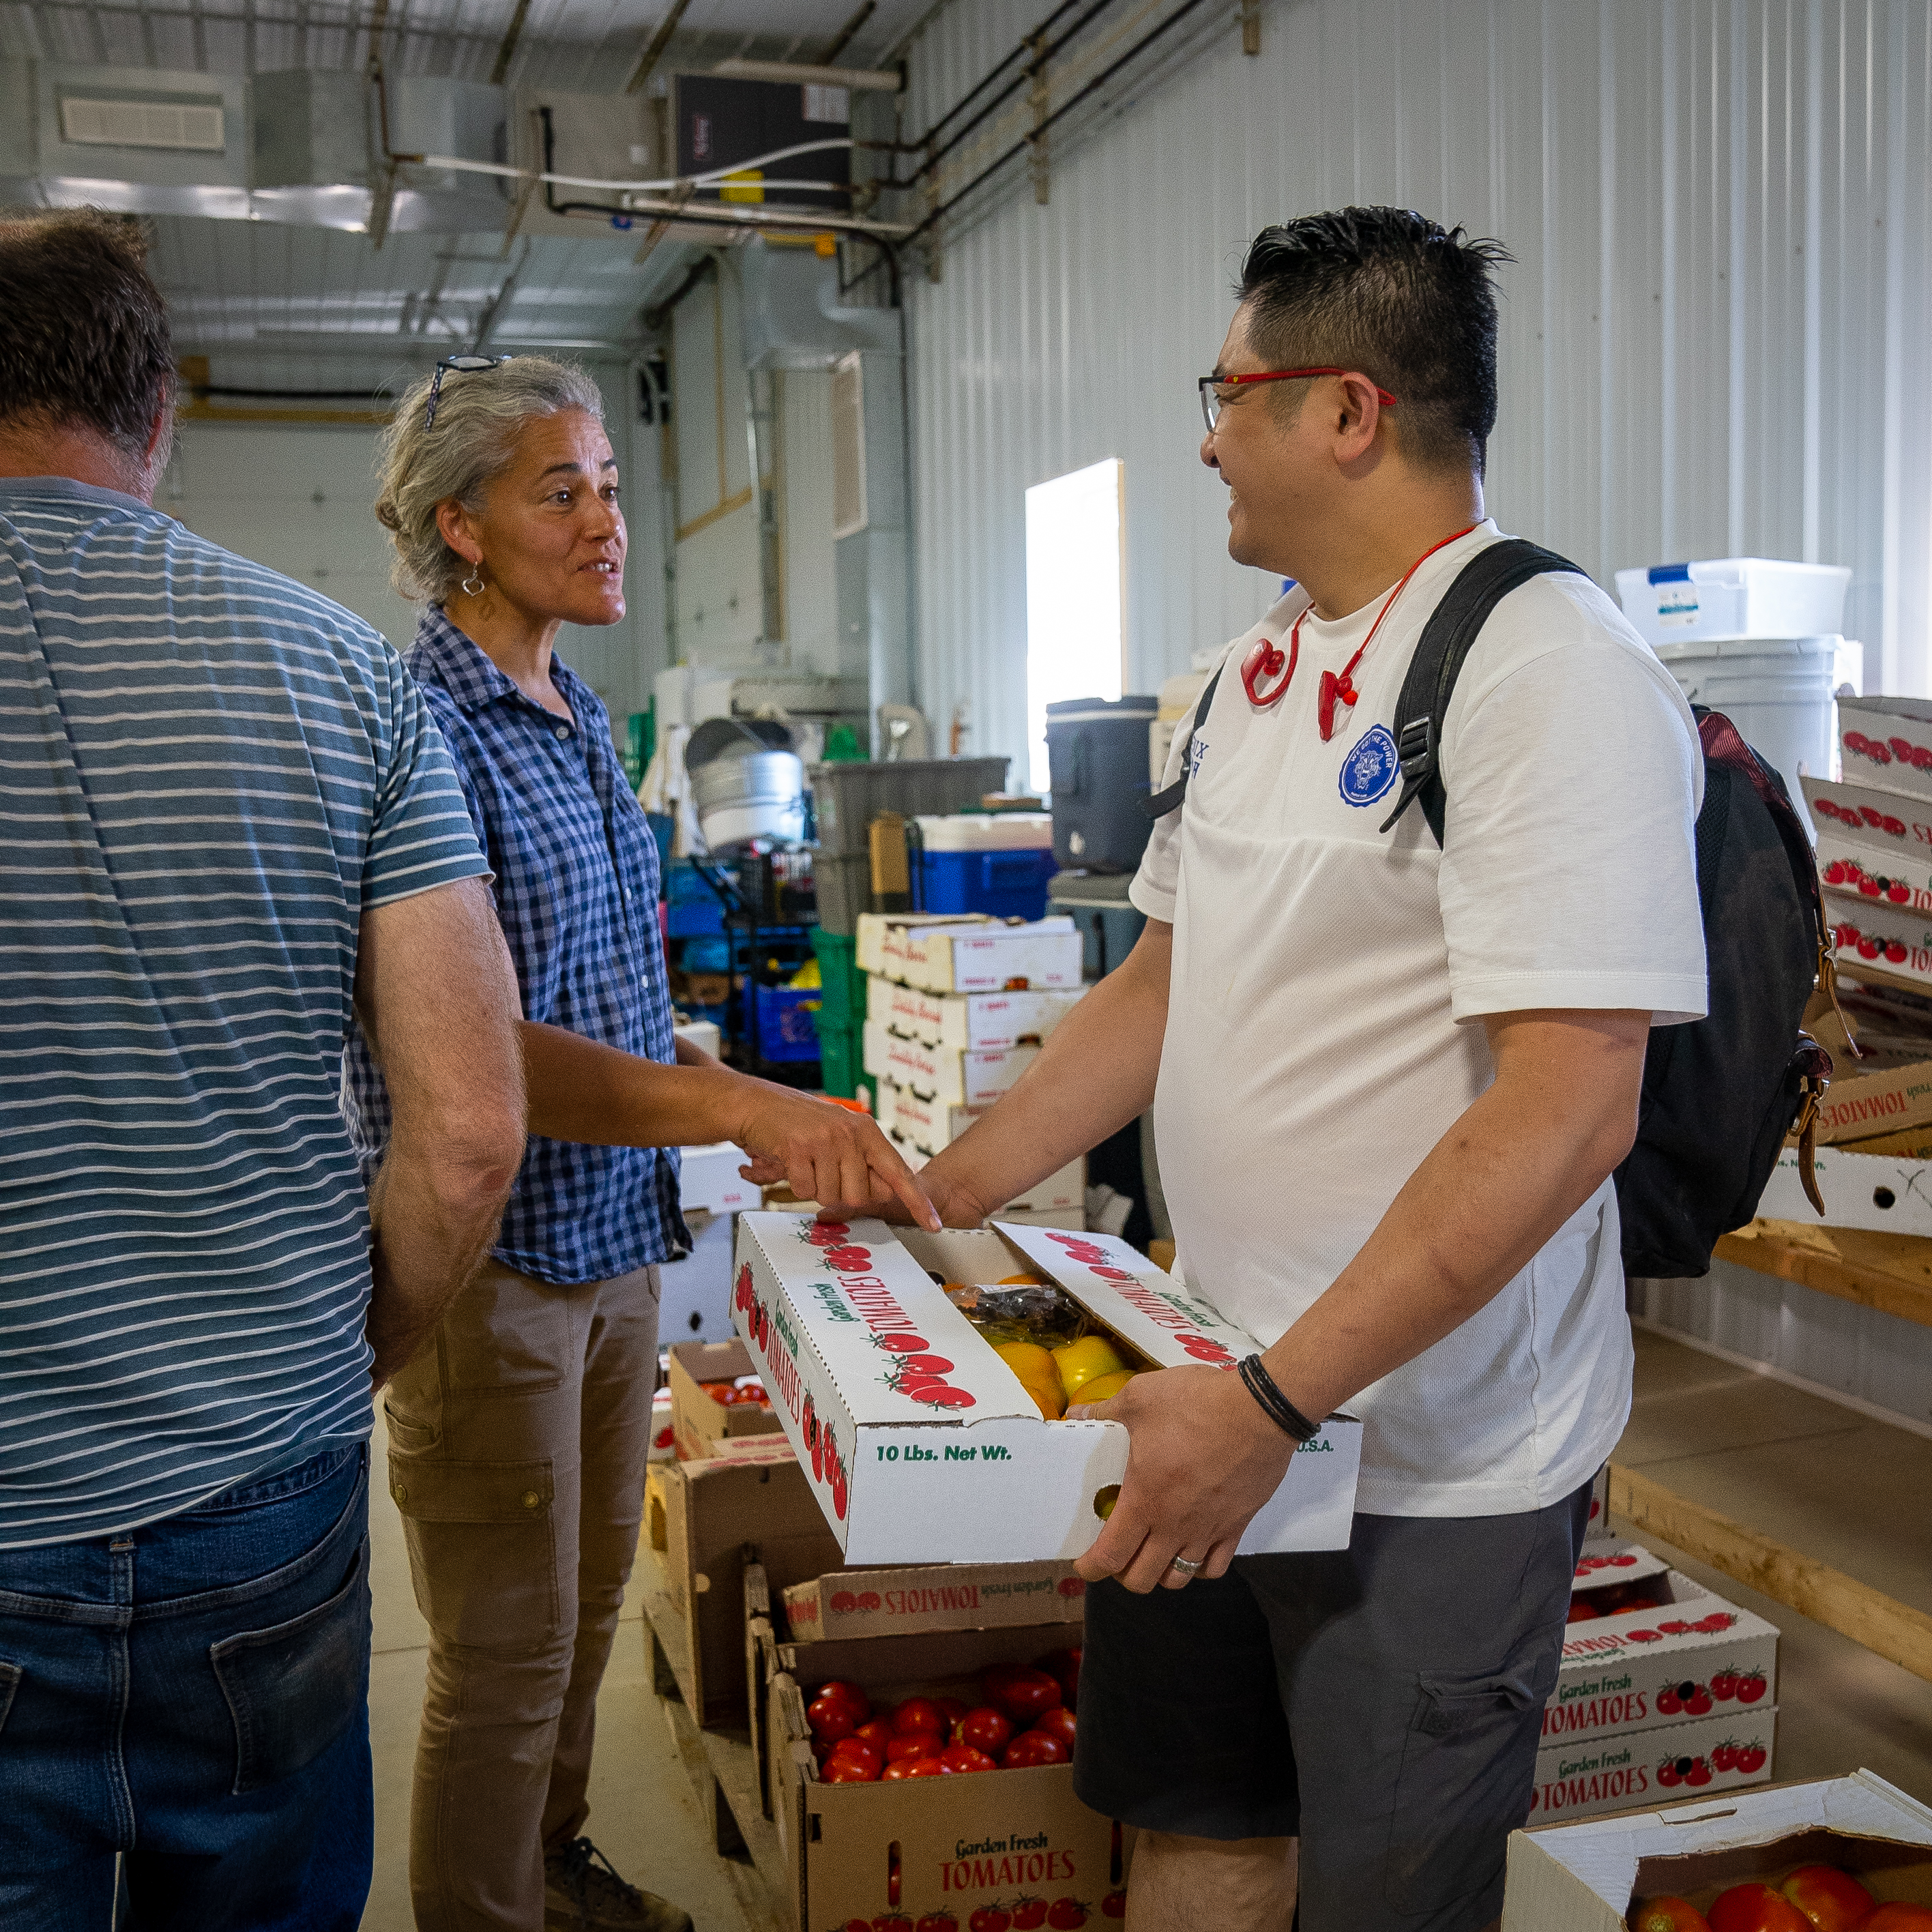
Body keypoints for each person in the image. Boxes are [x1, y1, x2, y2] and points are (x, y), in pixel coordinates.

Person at [829, 208, 1707, 1932]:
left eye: (1227, 391)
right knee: (1197, 1835)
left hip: (1421, 1469)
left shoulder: (1544, 672)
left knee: (1381, 1890)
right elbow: (1163, 986)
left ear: (1348, 412)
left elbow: (1571, 1107)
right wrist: (947, 1192)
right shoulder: (1235, 685)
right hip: (1198, 1399)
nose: (1204, 432)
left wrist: (1280, 1405)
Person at [351, 355, 935, 1932]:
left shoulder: (574, 713)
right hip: (495, 1262)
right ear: (460, 526)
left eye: (610, 483)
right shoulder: (426, 731)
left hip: (612, 1242)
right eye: (564, 490)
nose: (608, 518)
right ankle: (483, 1912)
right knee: (501, 1648)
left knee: (590, 1612)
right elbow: (488, 1052)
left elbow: (602, 996)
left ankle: (548, 1868)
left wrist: (733, 1087)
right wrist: (744, 1106)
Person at [0, 209, 526, 1931]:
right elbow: (467, 1137)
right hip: (260, 1485)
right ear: (161, 417)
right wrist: (330, 1363)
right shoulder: (342, 676)